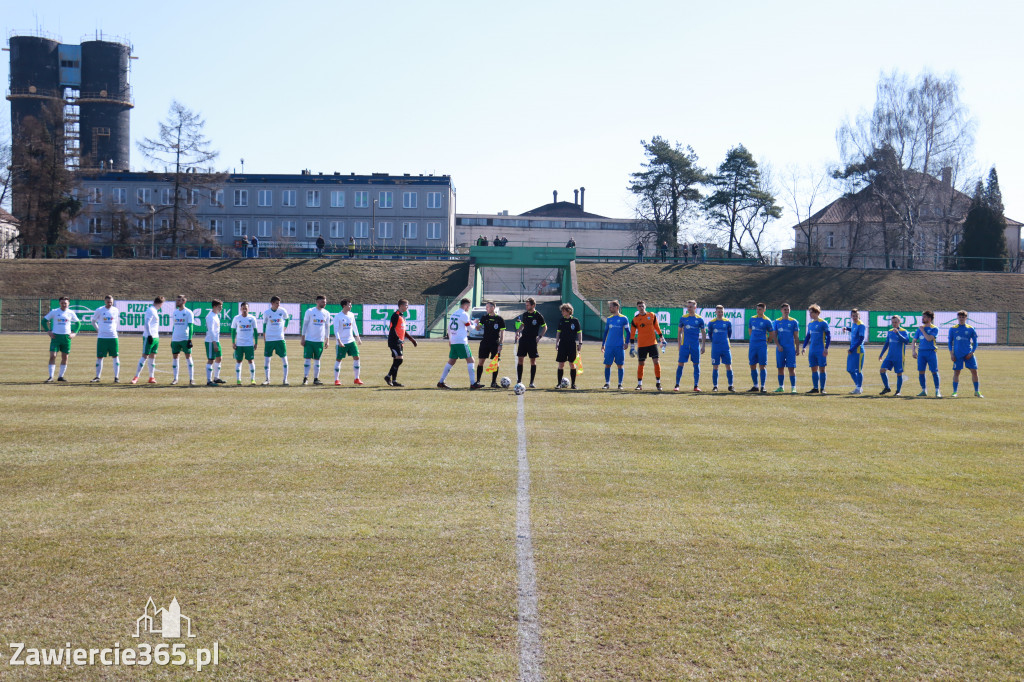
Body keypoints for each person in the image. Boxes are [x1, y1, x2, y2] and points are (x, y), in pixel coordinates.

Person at [438, 298, 483, 389]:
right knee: (471, 360)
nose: (469, 308)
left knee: (452, 361)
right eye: (469, 306)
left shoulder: (454, 313)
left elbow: (449, 328)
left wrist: (450, 340)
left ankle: (441, 382)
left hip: (454, 339)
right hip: (461, 341)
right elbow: (470, 329)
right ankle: (473, 383)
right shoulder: (464, 314)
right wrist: (475, 324)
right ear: (466, 305)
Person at [43, 296, 81, 383]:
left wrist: (74, 333)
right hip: (56, 337)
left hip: (66, 338)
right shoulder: (55, 312)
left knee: (65, 357)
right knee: (53, 356)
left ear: (68, 304)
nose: (64, 305)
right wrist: (48, 331)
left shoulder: (71, 312)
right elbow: (44, 321)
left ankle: (60, 376)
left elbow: (78, 323)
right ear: (59, 303)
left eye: (65, 303)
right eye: (62, 303)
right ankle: (51, 377)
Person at [630, 300, 665, 391]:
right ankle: (639, 384)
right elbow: (632, 334)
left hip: (652, 343)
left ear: (645, 306)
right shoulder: (635, 319)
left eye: (642, 306)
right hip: (642, 345)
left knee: (656, 362)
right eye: (639, 306)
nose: (641, 308)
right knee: (641, 363)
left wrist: (661, 337)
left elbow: (657, 327)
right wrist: (632, 346)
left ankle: (658, 383)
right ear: (637, 308)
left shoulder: (652, 315)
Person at [948, 310, 982, 398]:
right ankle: (955, 392)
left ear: (966, 318)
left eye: (963, 317)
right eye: (960, 317)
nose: (961, 319)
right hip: (958, 354)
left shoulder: (970, 328)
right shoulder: (953, 329)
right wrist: (951, 354)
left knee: (974, 371)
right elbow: (949, 342)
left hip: (968, 354)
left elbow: (975, 342)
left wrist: (972, 352)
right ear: (957, 318)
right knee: (956, 372)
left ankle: (977, 391)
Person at [514, 297, 547, 388]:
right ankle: (519, 380)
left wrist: (539, 337)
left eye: (528, 305)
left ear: (533, 305)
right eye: (526, 305)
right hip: (523, 340)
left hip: (532, 340)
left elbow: (545, 327)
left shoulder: (538, 315)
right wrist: (518, 331)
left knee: (533, 361)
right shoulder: (525, 315)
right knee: (520, 360)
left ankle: (531, 382)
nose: (526, 306)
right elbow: (523, 325)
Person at [385, 298, 418, 386]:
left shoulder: (402, 316)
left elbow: (403, 331)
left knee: (396, 360)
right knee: (399, 360)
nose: (407, 307)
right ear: (401, 306)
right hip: (394, 341)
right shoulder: (395, 315)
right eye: (406, 305)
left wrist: (411, 339)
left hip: (400, 342)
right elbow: (392, 329)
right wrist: (397, 339)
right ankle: (388, 376)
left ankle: (394, 380)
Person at [131, 296, 165, 385]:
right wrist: (149, 335)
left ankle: (151, 377)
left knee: (152, 358)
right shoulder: (150, 310)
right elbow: (146, 323)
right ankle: (136, 377)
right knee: (144, 356)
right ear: (161, 304)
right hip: (149, 336)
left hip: (156, 337)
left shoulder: (155, 311)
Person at [675, 299, 706, 392]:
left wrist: (703, 345)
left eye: (691, 306)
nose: (689, 308)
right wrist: (679, 345)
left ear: (695, 307)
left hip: (695, 345)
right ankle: (677, 385)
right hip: (684, 345)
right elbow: (679, 332)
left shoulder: (699, 319)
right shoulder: (683, 318)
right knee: (680, 364)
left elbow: (704, 333)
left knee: (696, 365)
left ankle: (696, 386)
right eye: (688, 306)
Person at [300, 294, 331, 385]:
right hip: (309, 340)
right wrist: (303, 337)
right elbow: (305, 325)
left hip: (320, 341)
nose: (324, 303)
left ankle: (316, 379)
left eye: (325, 302)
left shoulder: (326, 313)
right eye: (322, 301)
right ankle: (305, 378)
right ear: (317, 302)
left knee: (317, 360)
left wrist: (327, 339)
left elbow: (327, 327)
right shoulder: (310, 311)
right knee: (307, 359)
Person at [90, 295, 120, 383]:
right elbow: (93, 321)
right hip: (102, 337)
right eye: (108, 301)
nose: (109, 303)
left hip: (113, 337)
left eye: (111, 301)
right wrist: (98, 330)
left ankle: (116, 377)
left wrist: (115, 330)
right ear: (105, 301)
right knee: (100, 357)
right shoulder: (99, 310)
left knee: (115, 356)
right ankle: (97, 377)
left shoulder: (115, 310)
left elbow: (116, 322)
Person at [474, 301, 505, 387]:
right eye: (486, 307)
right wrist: (476, 324)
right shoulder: (484, 317)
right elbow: (477, 328)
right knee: (481, 362)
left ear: (493, 308)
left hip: (495, 343)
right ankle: (478, 381)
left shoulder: (499, 319)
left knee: (495, 362)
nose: (486, 309)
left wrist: (501, 344)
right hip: (485, 342)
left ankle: (493, 382)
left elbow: (502, 333)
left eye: (488, 307)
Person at [333, 298, 363, 386]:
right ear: (344, 306)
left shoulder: (351, 315)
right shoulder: (338, 316)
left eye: (351, 304)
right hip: (342, 342)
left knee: (357, 357)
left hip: (351, 341)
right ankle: (336, 380)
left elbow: (354, 326)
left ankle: (357, 378)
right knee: (339, 359)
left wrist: (358, 337)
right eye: (349, 305)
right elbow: (335, 330)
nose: (351, 306)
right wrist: (339, 341)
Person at [262, 296, 291, 386]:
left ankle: (285, 380)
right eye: (276, 303)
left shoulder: (282, 311)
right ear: (272, 303)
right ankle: (267, 379)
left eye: (279, 303)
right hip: (270, 339)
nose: (278, 305)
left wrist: (285, 328)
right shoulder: (266, 313)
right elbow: (264, 325)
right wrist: (264, 337)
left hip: (280, 338)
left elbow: (287, 319)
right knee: (267, 360)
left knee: (284, 360)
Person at [601, 300, 630, 390]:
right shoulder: (609, 319)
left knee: (620, 365)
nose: (610, 308)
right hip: (609, 346)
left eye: (611, 307)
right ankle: (607, 383)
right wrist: (603, 344)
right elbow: (605, 332)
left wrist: (626, 343)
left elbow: (628, 332)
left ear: (617, 307)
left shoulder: (624, 318)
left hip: (619, 346)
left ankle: (620, 384)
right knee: (607, 364)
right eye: (609, 307)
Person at [878, 315, 910, 395]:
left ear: (899, 322)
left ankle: (898, 391)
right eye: (893, 322)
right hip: (890, 356)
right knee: (882, 370)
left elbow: (906, 341)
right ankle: (887, 388)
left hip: (899, 357)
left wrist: (898, 333)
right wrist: (881, 354)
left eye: (896, 322)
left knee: (899, 373)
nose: (894, 324)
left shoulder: (904, 331)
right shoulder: (890, 331)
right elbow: (886, 344)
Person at [803, 304, 831, 394]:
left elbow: (829, 336)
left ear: (816, 312)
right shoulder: (810, 324)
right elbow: (808, 336)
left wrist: (826, 348)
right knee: (813, 369)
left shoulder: (823, 323)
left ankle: (822, 388)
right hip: (812, 350)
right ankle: (815, 388)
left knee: (822, 369)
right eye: (809, 313)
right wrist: (804, 347)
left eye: (811, 313)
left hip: (821, 349)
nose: (810, 315)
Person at [169, 294, 197, 386]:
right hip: (175, 339)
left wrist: (190, 339)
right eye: (177, 300)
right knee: (175, 358)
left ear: (184, 301)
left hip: (185, 338)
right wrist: (172, 338)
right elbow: (174, 326)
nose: (177, 302)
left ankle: (191, 379)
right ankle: (175, 379)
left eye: (179, 300)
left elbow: (191, 327)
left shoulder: (189, 312)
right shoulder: (175, 312)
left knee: (188, 357)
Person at [773, 303, 801, 393]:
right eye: (785, 309)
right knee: (780, 368)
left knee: (791, 368)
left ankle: (793, 387)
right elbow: (774, 336)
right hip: (780, 349)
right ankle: (781, 387)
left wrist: (797, 348)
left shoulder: (794, 322)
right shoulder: (777, 322)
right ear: (781, 310)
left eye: (788, 309)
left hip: (790, 349)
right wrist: (778, 345)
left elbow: (796, 337)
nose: (786, 311)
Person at [912, 310, 941, 398]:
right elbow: (914, 340)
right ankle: (923, 390)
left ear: (929, 318)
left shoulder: (934, 328)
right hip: (921, 353)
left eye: (924, 317)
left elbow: (929, 339)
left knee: (934, 371)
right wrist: (913, 351)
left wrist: (923, 330)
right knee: (921, 371)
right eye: (922, 316)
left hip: (931, 352)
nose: (922, 318)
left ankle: (937, 391)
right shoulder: (920, 328)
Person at [554, 303, 583, 389]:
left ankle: (573, 384)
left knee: (572, 364)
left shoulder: (575, 321)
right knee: (561, 364)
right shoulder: (561, 320)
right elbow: (558, 332)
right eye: (562, 311)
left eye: (563, 311)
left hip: (571, 344)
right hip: (562, 344)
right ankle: (559, 384)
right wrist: (557, 343)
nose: (562, 312)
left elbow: (579, 332)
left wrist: (580, 343)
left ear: (568, 311)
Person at [747, 302, 774, 392]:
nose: (758, 311)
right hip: (753, 346)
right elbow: (750, 330)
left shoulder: (767, 321)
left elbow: (771, 333)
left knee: (762, 366)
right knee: (752, 365)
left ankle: (763, 386)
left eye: (760, 309)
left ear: (764, 310)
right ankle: (755, 386)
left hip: (762, 345)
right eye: (757, 309)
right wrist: (752, 339)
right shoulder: (752, 319)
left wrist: (767, 341)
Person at [706, 305, 734, 392]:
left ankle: (730, 385)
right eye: (718, 311)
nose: (720, 313)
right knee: (715, 366)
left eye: (721, 312)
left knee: (728, 366)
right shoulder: (711, 323)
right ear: (715, 312)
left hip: (725, 347)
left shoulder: (728, 322)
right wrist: (715, 341)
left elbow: (729, 334)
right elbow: (710, 335)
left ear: (723, 312)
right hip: (715, 348)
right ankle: (715, 386)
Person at [231, 302, 259, 385]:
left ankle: (253, 379)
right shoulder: (236, 318)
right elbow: (233, 331)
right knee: (238, 361)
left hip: (249, 344)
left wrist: (256, 342)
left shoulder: (252, 318)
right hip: (239, 344)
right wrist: (233, 342)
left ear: (248, 309)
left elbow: (255, 331)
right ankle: (238, 380)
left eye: (246, 308)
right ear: (240, 309)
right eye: (243, 308)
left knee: (251, 361)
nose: (244, 310)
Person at [204, 299, 226, 386]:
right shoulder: (210, 317)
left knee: (219, 358)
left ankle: (216, 378)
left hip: (216, 340)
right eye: (219, 307)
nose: (221, 309)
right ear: (214, 307)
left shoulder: (216, 315)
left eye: (221, 307)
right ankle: (209, 381)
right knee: (211, 360)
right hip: (211, 341)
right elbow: (211, 331)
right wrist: (214, 343)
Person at [846, 308, 867, 394]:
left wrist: (852, 348)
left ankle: (858, 388)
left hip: (858, 350)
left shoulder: (861, 325)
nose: (854, 317)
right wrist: (847, 328)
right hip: (852, 350)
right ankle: (858, 386)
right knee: (850, 370)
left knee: (858, 370)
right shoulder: (854, 324)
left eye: (856, 316)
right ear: (851, 316)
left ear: (859, 316)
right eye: (853, 316)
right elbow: (854, 330)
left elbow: (861, 339)